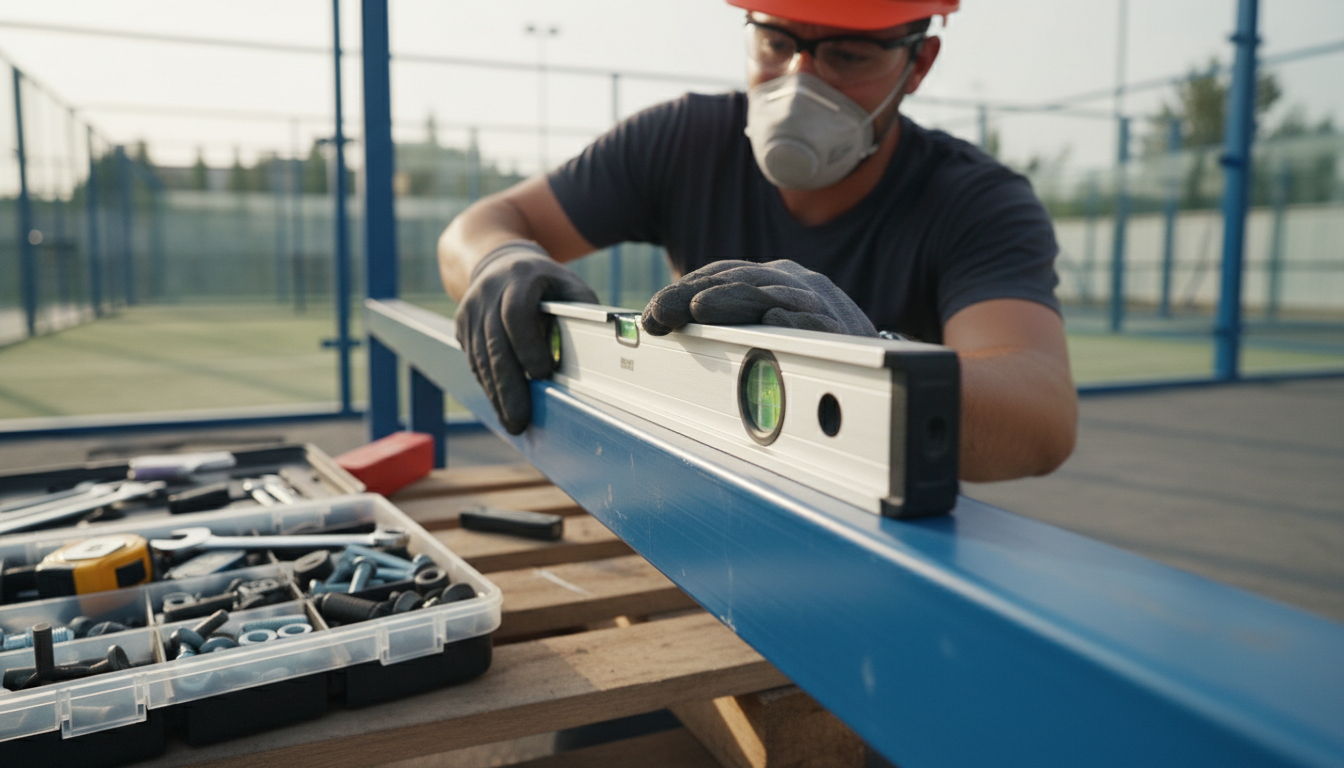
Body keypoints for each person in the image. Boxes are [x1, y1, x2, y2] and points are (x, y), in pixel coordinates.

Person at [439, 0, 1076, 482]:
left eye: (849, 55)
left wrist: (870, 360)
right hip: (709, 486)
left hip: (870, 519)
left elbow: (1043, 417)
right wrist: (500, 259)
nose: (799, 80)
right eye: (775, 42)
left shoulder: (975, 201)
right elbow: (480, 227)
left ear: (918, 65)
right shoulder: (684, 143)